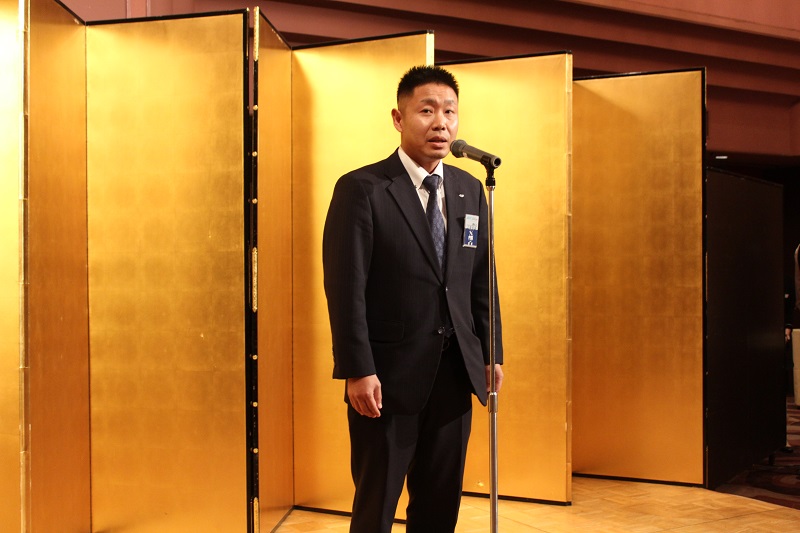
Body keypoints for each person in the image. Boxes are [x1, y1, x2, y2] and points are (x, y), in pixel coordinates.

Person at [322, 65, 504, 532]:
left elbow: (481, 279)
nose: (440, 123)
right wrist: (357, 369)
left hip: (455, 373)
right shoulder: (362, 189)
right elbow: (346, 288)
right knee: (376, 505)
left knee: (440, 505)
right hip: (386, 378)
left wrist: (490, 353)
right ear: (399, 118)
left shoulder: (469, 189)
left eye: (450, 112)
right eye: (427, 111)